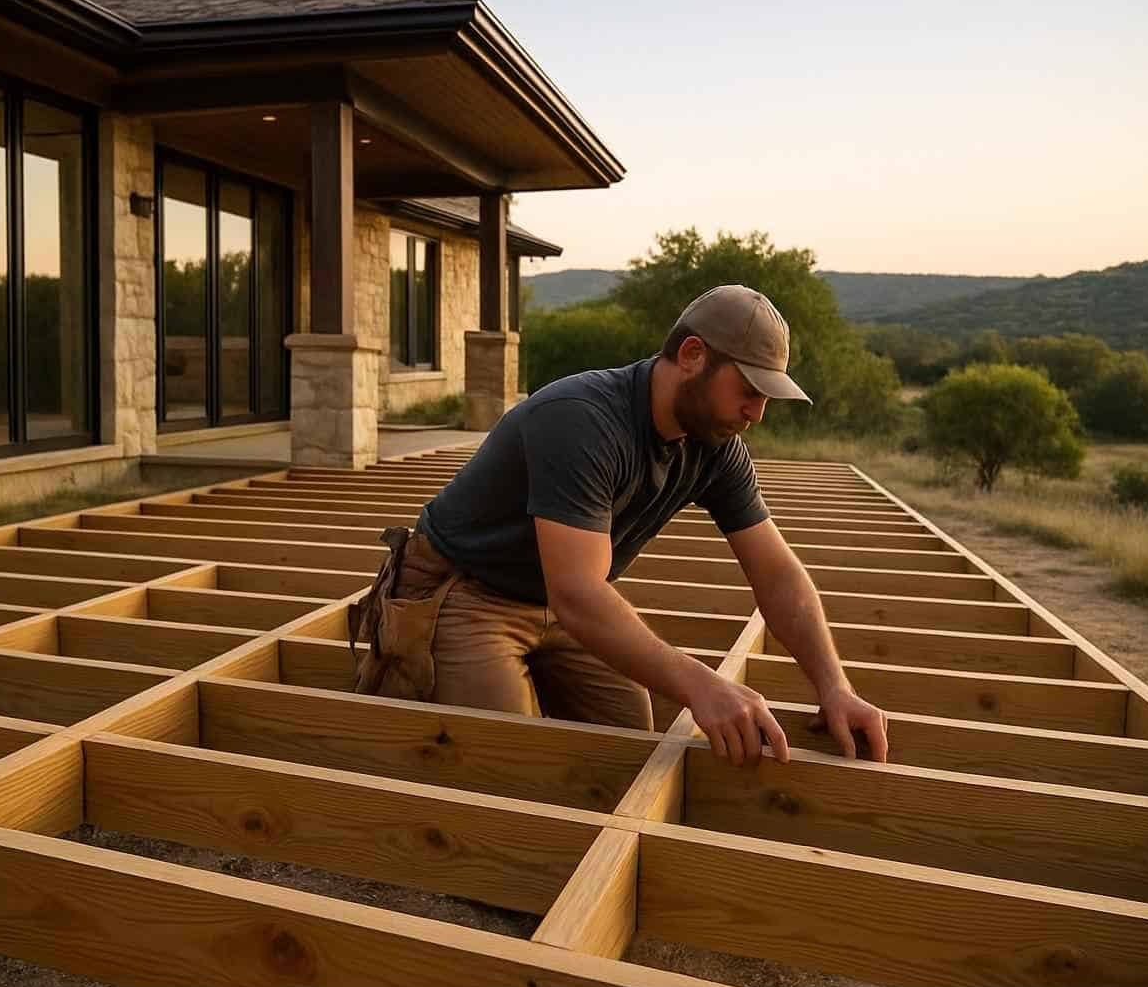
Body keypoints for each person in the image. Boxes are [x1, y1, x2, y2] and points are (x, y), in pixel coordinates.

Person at [356, 283, 888, 766]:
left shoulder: (716, 448)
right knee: (510, 767)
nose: (757, 411)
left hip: (561, 600)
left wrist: (834, 686)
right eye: (749, 388)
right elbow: (580, 594)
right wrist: (701, 685)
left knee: (628, 749)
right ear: (693, 355)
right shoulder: (582, 418)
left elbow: (778, 575)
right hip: (466, 593)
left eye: (768, 395)